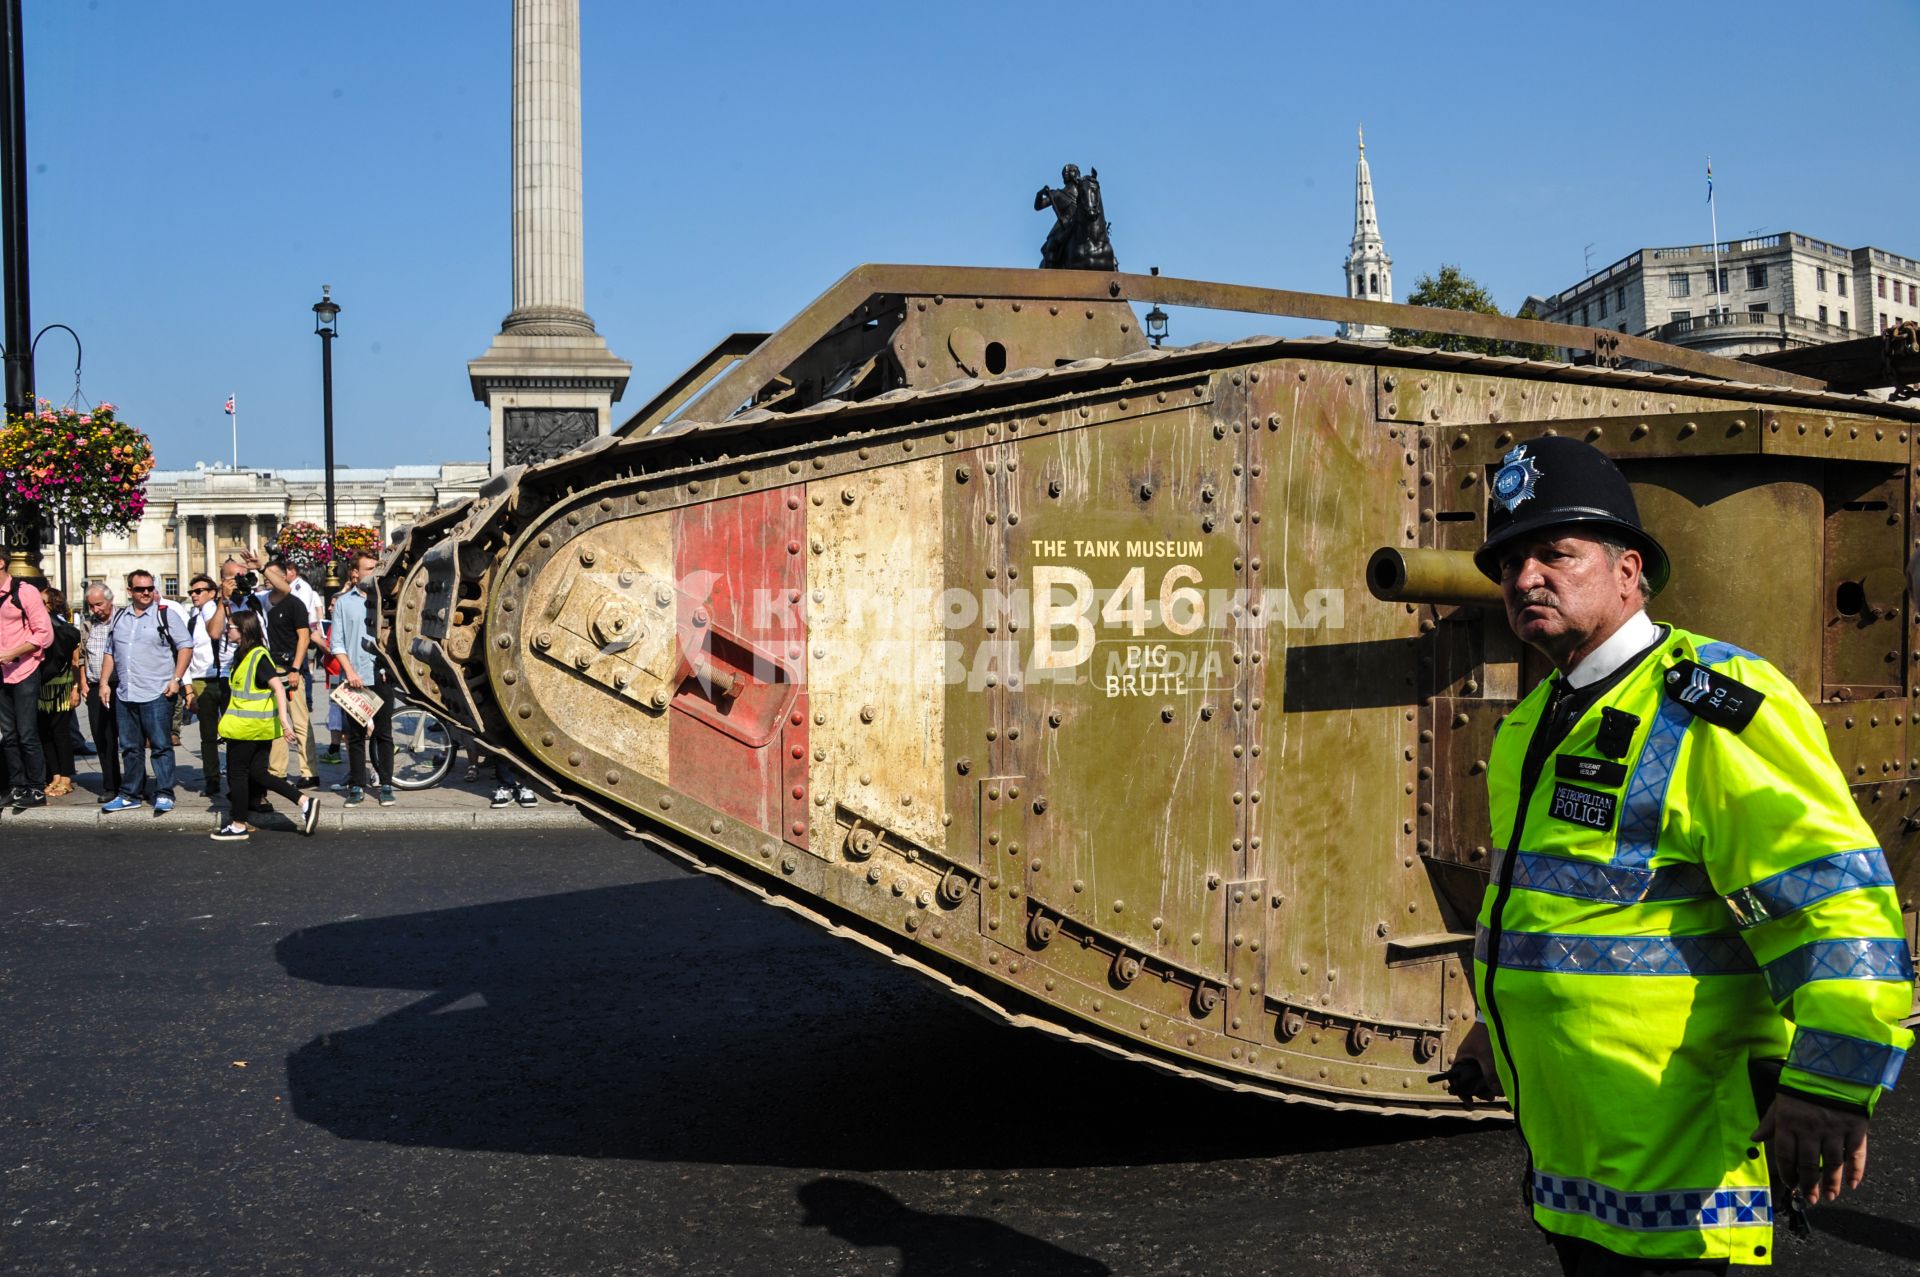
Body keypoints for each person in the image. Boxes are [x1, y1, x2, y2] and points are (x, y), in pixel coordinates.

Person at [1446, 437, 1914, 1274]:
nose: (1525, 579)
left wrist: (1832, 1082)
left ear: (1629, 571)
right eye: (1510, 562)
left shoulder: (1710, 704)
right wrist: (1494, 1019)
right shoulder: (1531, 725)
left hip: (1689, 1180)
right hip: (1581, 1168)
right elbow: (1554, 909)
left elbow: (1832, 897)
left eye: (1556, 553)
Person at [212, 609, 320, 842]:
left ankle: (238, 824)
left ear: (243, 630)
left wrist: (284, 720)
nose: (226, 630)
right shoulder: (243, 655)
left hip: (249, 729)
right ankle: (305, 802)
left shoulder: (257, 656)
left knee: (237, 774)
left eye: (230, 627)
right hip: (250, 727)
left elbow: (278, 687)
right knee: (258, 774)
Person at [98, 569, 193, 815]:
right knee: (130, 747)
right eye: (140, 589)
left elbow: (185, 646)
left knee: (161, 745)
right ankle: (130, 793)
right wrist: (104, 682)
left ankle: (164, 792)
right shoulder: (119, 618)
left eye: (150, 588)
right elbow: (110, 652)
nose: (146, 593)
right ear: (130, 591)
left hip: (157, 692)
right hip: (126, 693)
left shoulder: (165, 615)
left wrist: (177, 679)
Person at [328, 549, 394, 807]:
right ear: (355, 574)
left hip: (381, 676)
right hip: (355, 679)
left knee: (384, 734)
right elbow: (337, 643)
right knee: (355, 736)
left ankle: (386, 784)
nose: (374, 572)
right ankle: (357, 785)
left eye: (376, 568)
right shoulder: (344, 602)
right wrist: (350, 672)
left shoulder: (385, 599)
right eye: (369, 568)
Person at [260, 557, 320, 791]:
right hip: (272, 669)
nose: (268, 579)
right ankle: (277, 771)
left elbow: (304, 638)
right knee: (277, 722)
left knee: (300, 721)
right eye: (267, 576)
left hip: (291, 669)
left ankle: (309, 771)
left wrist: (296, 668)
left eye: (273, 574)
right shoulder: (264, 601)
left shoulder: (294, 603)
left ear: (285, 576)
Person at [0, 558, 54, 808]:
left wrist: (14, 652)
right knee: (8, 735)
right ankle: (17, 786)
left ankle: (36, 788)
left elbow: (45, 633)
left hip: (23, 670)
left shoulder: (25, 592)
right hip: (1, 675)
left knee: (27, 733)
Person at [182, 573, 230, 798]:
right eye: (191, 592)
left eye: (198, 591)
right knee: (207, 734)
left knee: (234, 732)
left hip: (225, 677)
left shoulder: (224, 611)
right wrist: (188, 688)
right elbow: (187, 654)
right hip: (202, 679)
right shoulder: (193, 619)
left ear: (212, 593)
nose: (193, 595)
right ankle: (212, 778)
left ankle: (236, 774)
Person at [32, 586, 83, 799]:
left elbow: (75, 662)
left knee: (61, 734)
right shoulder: (36, 628)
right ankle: (54, 774)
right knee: (45, 733)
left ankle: (67, 777)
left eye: (41, 602)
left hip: (62, 688)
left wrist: (76, 689)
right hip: (41, 688)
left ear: (51, 605)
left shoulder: (67, 629)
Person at [77, 583, 122, 801]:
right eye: (91, 606)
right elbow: (82, 655)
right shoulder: (87, 625)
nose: (96, 609)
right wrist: (83, 682)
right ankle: (110, 784)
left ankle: (134, 783)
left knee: (130, 739)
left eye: (99, 604)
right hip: (95, 687)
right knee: (103, 738)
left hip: (120, 685)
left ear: (110, 600)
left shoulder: (123, 620)